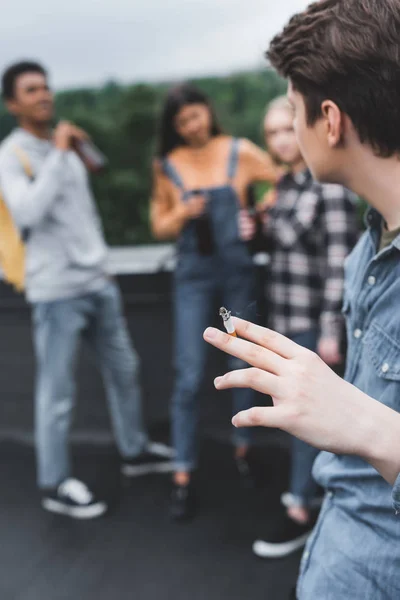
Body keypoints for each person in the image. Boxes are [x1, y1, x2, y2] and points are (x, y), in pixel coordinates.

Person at [204, 0, 400, 597]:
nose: (289, 129)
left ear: (331, 120)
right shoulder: (369, 248)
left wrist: (370, 428)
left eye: (293, 111)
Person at [0, 61, 174, 520]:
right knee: (57, 393)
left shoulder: (65, 144)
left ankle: (134, 453)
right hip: (56, 291)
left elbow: (87, 203)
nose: (44, 95)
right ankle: (55, 483)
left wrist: (75, 148)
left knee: (125, 370)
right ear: (12, 103)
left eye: (46, 86)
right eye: (31, 90)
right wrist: (59, 154)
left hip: (98, 282)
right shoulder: (11, 155)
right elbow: (29, 214)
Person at [150, 83, 280, 520]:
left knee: (241, 364)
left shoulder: (238, 151)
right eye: (182, 120)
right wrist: (181, 214)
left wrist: (258, 216)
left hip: (236, 273)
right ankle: (182, 470)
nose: (193, 125)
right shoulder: (167, 165)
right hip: (192, 277)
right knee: (188, 372)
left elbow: (282, 179)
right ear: (174, 127)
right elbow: (158, 224)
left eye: (197, 114)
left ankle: (245, 450)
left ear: (208, 111)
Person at [240, 96, 358, 558]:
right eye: (271, 134)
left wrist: (331, 331)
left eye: (287, 129)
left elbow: (339, 264)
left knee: (310, 419)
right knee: (297, 418)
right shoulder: (283, 186)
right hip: (286, 319)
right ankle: (310, 505)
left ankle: (301, 512)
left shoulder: (327, 185)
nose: (280, 140)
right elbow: (284, 252)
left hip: (315, 323)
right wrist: (258, 231)